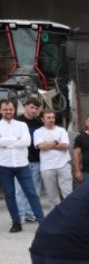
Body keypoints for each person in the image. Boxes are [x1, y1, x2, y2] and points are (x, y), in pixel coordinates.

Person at [0, 99, 45, 233]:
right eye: (6, 109)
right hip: (4, 165)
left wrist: (5, 143)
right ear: (1, 110)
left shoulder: (22, 125)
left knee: (32, 193)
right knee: (9, 195)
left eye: (11, 109)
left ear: (14, 110)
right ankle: (16, 222)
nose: (8, 111)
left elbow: (27, 141)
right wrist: (16, 140)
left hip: (22, 165)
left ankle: (42, 221)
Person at [33, 109, 73, 204]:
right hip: (47, 167)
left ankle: (70, 215)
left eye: (53, 117)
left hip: (63, 165)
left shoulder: (61, 130)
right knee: (52, 195)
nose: (51, 120)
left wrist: (48, 145)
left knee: (68, 192)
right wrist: (56, 142)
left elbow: (65, 146)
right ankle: (56, 215)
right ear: (42, 119)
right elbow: (41, 147)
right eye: (48, 118)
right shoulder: (38, 132)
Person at [14, 98, 43, 224]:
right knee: (19, 189)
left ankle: (30, 214)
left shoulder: (39, 123)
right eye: (32, 107)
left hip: (36, 160)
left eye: (36, 108)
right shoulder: (17, 121)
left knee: (34, 189)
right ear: (25, 106)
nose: (34, 110)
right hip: (20, 160)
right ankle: (19, 214)